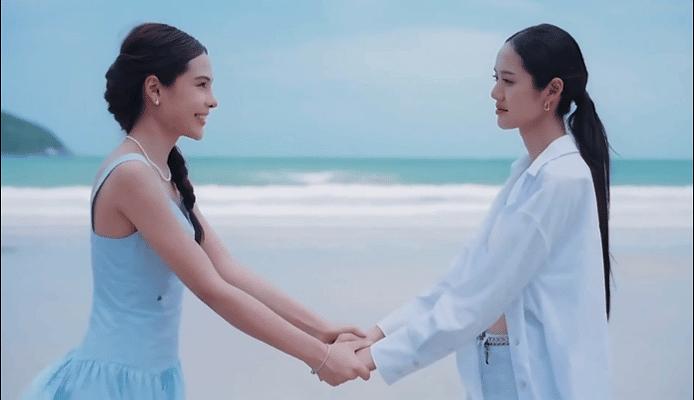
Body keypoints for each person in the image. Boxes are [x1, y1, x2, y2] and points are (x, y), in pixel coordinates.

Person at [21, 22, 370, 399]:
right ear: (155, 89)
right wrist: (319, 357)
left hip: (154, 379)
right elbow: (212, 289)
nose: (213, 100)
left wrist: (322, 330)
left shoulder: (161, 174)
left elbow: (227, 270)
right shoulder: (131, 176)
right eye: (201, 85)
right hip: (113, 384)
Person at [345, 23, 613, 399]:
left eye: (508, 81)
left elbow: (479, 300)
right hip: (500, 365)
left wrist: (374, 358)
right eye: (495, 79)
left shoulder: (561, 179)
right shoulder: (529, 172)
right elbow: (464, 278)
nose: (495, 92)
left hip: (531, 379)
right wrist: (378, 334)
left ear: (552, 90)